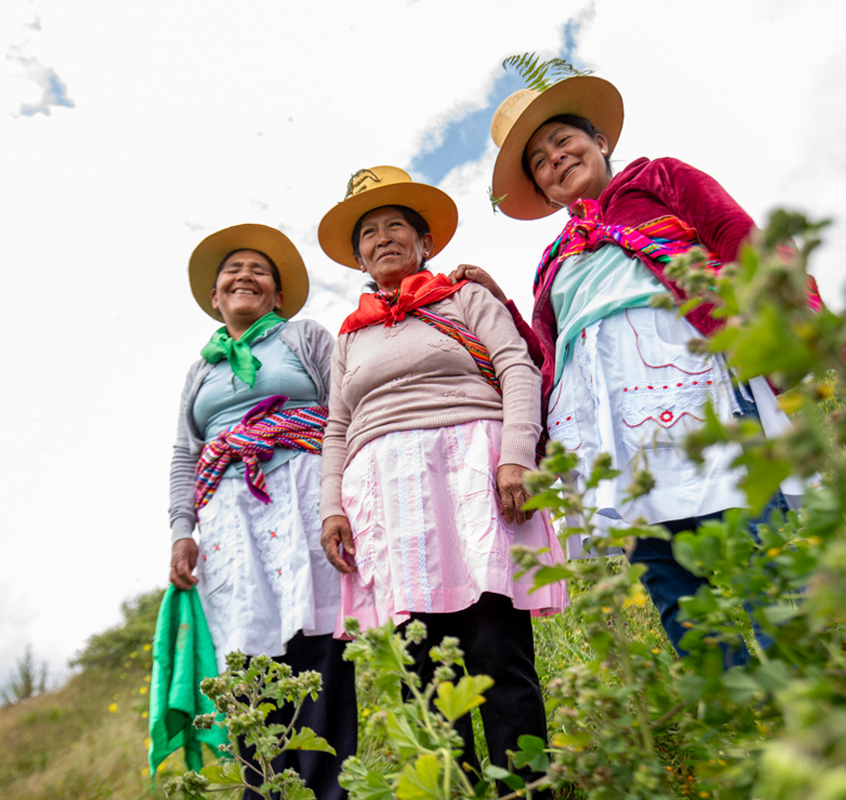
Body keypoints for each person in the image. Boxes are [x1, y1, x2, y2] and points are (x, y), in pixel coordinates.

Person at [486, 76, 806, 664]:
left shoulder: (659, 179)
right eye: (539, 161)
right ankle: (733, 713)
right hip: (613, 425)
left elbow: (735, 235)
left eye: (562, 141)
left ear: (601, 140)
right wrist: (500, 303)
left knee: (754, 536)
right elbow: (550, 353)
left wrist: (784, 321)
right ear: (542, 189)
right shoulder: (557, 259)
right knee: (664, 568)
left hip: (695, 383)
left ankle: (808, 699)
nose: (555, 158)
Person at [316, 166, 568, 773]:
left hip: (471, 481)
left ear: (425, 242)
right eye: (369, 233)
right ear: (358, 259)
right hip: (386, 499)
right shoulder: (350, 337)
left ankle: (526, 786)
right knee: (423, 669)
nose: (383, 239)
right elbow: (336, 427)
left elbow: (517, 368)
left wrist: (515, 456)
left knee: (496, 651)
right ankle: (454, 787)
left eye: (396, 226)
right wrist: (331, 507)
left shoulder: (465, 298)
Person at [168, 224, 354, 800]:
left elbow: (341, 409)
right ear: (216, 297)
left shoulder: (305, 338)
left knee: (315, 643)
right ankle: (265, 789)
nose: (245, 276)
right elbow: (185, 451)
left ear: (276, 295)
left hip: (302, 497)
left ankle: (327, 790)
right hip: (227, 516)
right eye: (233, 272)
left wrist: (341, 498)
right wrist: (181, 531)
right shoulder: (201, 369)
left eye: (259, 271)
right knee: (248, 653)